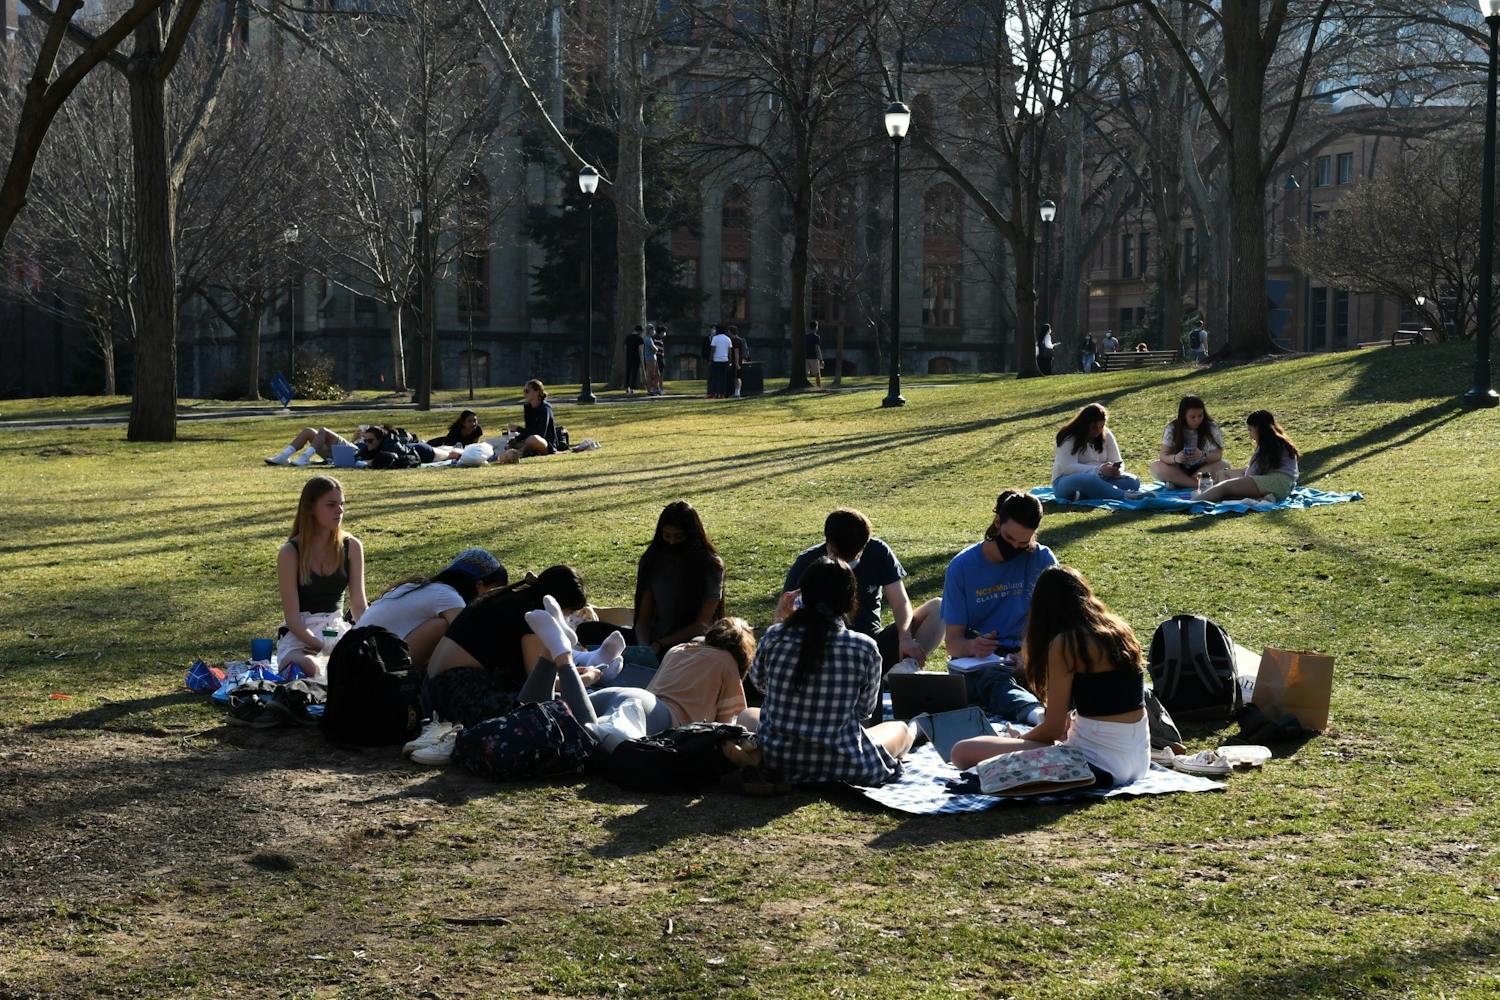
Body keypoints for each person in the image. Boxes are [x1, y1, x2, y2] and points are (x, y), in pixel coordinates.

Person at [949, 566, 1149, 789]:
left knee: (962, 752)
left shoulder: (1067, 643)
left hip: (1096, 763)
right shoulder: (1119, 630)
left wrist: (1020, 740)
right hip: (1139, 761)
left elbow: (1054, 729)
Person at [737, 557, 914, 786]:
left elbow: (760, 684)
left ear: (803, 596)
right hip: (844, 763)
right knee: (899, 728)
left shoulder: (775, 636)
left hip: (779, 760)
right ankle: (916, 730)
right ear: (850, 600)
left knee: (746, 715)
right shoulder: (864, 647)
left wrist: (779, 620)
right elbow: (864, 711)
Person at [776, 509, 943, 683]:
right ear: (829, 545)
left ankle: (899, 675)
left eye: (856, 555)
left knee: (939, 608)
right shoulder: (806, 564)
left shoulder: (878, 552)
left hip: (871, 644)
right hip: (824, 648)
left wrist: (905, 638)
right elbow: (784, 616)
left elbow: (900, 602)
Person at [423, 566, 595, 729]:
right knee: (558, 711)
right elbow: (539, 683)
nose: (567, 617)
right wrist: (587, 678)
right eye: (567, 612)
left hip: (433, 691)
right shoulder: (532, 616)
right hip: (459, 693)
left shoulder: (507, 599)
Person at [941, 490, 1057, 725]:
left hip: (1031, 652)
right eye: (1008, 538)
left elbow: (1057, 621)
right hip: (985, 662)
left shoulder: (1042, 559)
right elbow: (953, 642)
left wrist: (1028, 654)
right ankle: (1037, 716)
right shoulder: (962, 567)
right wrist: (974, 646)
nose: (1014, 547)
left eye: (1023, 543)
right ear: (997, 523)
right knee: (991, 680)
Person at [275, 475, 367, 678]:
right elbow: (293, 620)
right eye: (331, 504)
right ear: (311, 508)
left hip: (335, 630)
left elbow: (359, 606)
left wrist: (370, 637)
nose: (340, 510)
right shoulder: (290, 552)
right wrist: (323, 647)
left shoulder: (352, 546)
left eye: (342, 504)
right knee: (312, 667)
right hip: (301, 637)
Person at [357, 548, 507, 669]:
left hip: (353, 658)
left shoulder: (418, 586)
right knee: (444, 628)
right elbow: (470, 641)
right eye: (493, 593)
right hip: (370, 667)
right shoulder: (447, 596)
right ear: (479, 585)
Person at [631, 501, 726, 659]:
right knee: (589, 630)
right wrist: (644, 649)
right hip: (655, 642)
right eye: (666, 536)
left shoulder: (710, 565)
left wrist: (660, 644)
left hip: (690, 645)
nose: (672, 542)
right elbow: (643, 620)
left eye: (678, 536)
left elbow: (701, 625)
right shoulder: (653, 560)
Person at [1194, 409, 1301, 503]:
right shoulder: (1281, 441)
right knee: (1228, 494)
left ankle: (1193, 502)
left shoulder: (1266, 445)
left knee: (1224, 487)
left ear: (1257, 428)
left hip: (1274, 483)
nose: (1250, 435)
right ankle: (1265, 498)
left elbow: (1252, 472)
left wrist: (1234, 480)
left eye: (1250, 430)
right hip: (1284, 487)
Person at [1051, 402, 1142, 502]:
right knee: (1086, 479)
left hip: (1101, 479)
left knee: (1132, 481)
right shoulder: (1069, 437)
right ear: (1084, 424)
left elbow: (1117, 460)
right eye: (1094, 427)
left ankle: (1087, 494)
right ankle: (1124, 495)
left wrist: (1116, 471)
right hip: (1067, 481)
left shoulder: (1106, 434)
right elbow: (1067, 467)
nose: (1098, 431)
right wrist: (1099, 470)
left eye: (1101, 426)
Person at [1149, 395, 1231, 489]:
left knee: (1224, 465)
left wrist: (1202, 456)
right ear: (1184, 416)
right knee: (1156, 466)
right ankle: (1196, 484)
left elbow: (1218, 455)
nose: (1197, 420)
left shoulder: (1211, 427)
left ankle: (1180, 483)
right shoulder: (1173, 428)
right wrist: (1176, 458)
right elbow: (1163, 456)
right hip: (1178, 469)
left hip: (1202, 469)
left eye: (1200, 416)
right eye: (1192, 417)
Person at [499, 379, 557, 462]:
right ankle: (512, 453)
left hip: (545, 444)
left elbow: (540, 433)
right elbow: (528, 430)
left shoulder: (545, 409)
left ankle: (519, 454)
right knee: (511, 443)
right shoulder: (528, 408)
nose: (524, 393)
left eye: (527, 391)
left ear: (537, 392)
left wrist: (518, 429)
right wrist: (517, 439)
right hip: (529, 440)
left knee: (533, 439)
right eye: (524, 391)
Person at [266, 425, 368, 466]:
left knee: (324, 430)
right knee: (308, 431)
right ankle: (283, 456)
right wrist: (354, 438)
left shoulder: (377, 437)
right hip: (338, 453)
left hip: (354, 452)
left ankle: (305, 458)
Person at [708, 324, 733, 398]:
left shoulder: (715, 338)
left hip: (716, 360)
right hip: (725, 360)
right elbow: (729, 351)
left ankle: (714, 393)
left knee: (715, 378)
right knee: (723, 378)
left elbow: (713, 350)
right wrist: (730, 361)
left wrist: (710, 359)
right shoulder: (728, 339)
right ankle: (722, 393)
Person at [624, 325, 645, 396]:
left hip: (628, 357)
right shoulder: (640, 339)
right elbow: (641, 350)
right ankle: (632, 388)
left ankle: (626, 387)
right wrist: (642, 359)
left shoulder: (628, 337)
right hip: (636, 357)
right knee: (634, 373)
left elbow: (625, 347)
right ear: (639, 331)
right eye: (641, 332)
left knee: (628, 372)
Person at [729, 324, 748, 397]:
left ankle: (737, 393)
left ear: (731, 332)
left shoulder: (736, 341)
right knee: (737, 377)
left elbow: (736, 353)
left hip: (737, 361)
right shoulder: (740, 340)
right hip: (740, 361)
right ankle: (737, 392)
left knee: (737, 377)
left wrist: (736, 363)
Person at [642, 325, 662, 396]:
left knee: (657, 374)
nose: (654, 331)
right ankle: (650, 391)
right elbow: (654, 349)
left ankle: (656, 389)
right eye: (652, 329)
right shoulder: (647, 339)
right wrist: (656, 349)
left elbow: (655, 349)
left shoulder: (650, 338)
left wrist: (656, 350)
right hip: (650, 359)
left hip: (654, 358)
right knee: (651, 374)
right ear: (649, 330)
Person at [805, 320, 824, 388]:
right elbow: (817, 348)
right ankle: (819, 388)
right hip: (814, 358)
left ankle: (805, 387)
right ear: (816, 327)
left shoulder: (805, 337)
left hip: (806, 357)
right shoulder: (816, 337)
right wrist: (821, 359)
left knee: (806, 374)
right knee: (817, 375)